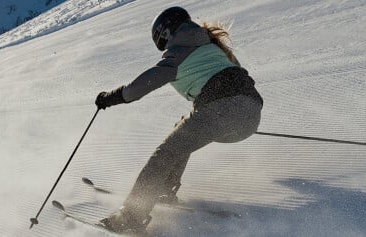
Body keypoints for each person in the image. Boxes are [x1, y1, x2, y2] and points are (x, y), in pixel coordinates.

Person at [93, 6, 264, 233]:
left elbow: (139, 87)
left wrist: (110, 98)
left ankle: (131, 218)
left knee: (164, 155)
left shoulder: (178, 53)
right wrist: (238, 113)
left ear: (165, 34)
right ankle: (164, 189)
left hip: (219, 112)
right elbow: (237, 75)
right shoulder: (214, 47)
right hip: (250, 116)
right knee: (180, 134)